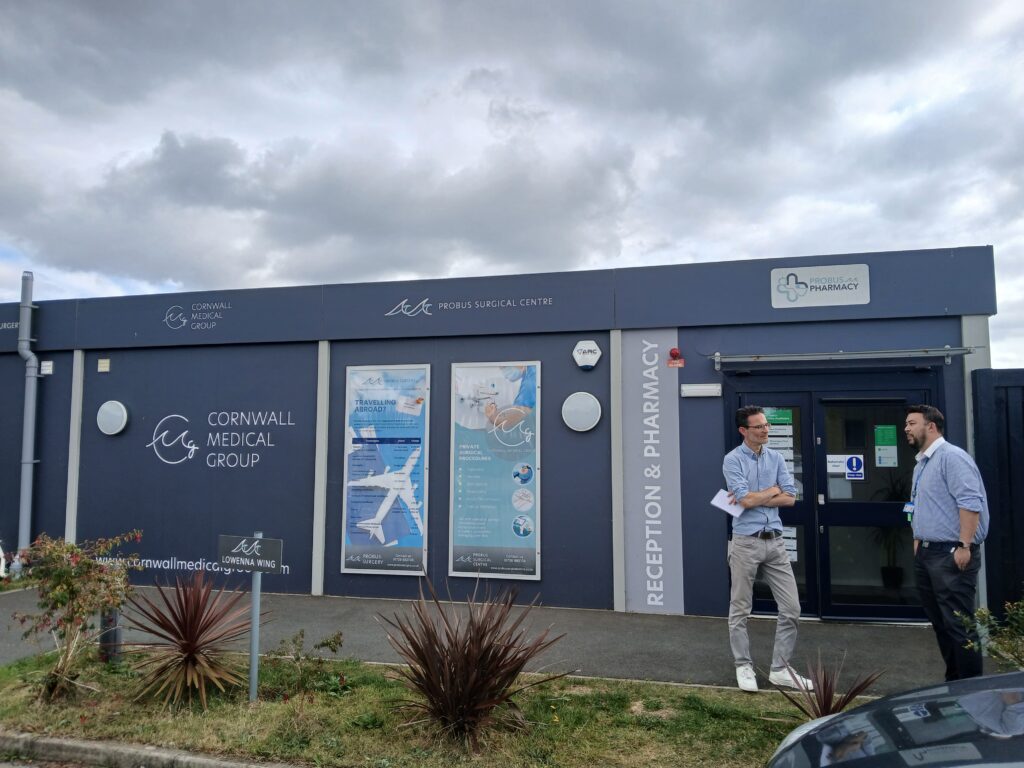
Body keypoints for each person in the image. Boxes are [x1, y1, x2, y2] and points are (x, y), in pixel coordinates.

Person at [722, 405, 812, 693]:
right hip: (746, 542)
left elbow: (790, 498)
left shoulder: (775, 457)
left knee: (792, 608)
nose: (765, 430)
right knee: (740, 608)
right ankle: (743, 665)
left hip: (775, 541)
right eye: (759, 426)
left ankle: (780, 669)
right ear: (744, 431)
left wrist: (759, 496)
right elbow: (744, 501)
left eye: (766, 426)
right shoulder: (733, 460)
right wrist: (771, 491)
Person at [905, 404, 989, 681]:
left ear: (931, 426)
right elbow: (919, 506)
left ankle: (970, 688)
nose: (906, 428)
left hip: (951, 554)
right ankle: (954, 683)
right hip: (928, 554)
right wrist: (918, 539)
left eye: (912, 423)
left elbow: (970, 502)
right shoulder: (922, 463)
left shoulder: (952, 458)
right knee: (941, 623)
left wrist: (964, 545)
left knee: (959, 625)